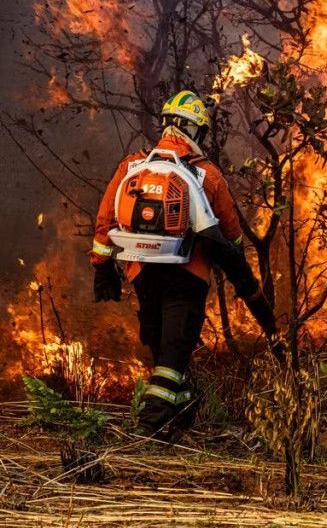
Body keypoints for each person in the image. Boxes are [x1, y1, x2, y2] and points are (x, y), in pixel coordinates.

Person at [90, 90, 276, 438]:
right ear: (198, 132)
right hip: (187, 276)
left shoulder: (131, 166)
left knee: (165, 349)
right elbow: (231, 239)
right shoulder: (207, 176)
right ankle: (147, 430)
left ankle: (185, 417)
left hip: (142, 272)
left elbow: (105, 221)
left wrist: (102, 266)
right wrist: (240, 276)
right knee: (173, 356)